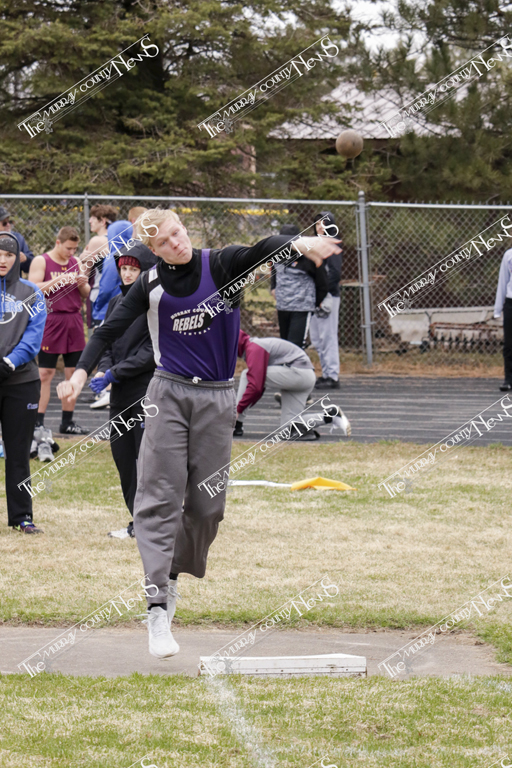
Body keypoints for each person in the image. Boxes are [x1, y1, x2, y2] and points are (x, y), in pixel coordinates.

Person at [57, 207, 341, 660]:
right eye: (165, 242)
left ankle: (171, 577)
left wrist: (302, 244)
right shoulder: (150, 286)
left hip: (216, 398)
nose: (177, 242)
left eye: (179, 232)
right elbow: (108, 330)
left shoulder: (221, 266)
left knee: (207, 509)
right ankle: (156, 605)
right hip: (167, 394)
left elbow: (263, 248)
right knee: (158, 498)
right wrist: (79, 374)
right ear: (154, 251)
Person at [88, 241, 157, 539]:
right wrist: (102, 369)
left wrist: (114, 373)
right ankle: (137, 521)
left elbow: (152, 352)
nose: (127, 274)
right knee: (124, 459)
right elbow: (106, 340)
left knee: (148, 462)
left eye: (134, 268)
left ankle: (152, 523)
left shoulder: (155, 303)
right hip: (119, 393)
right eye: (123, 268)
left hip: (146, 392)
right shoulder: (117, 302)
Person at [0, 232, 46, 533]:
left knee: (18, 453)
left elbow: (33, 337)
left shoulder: (32, 293)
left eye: (8, 254)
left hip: (21, 382)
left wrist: (9, 362)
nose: (2, 260)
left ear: (17, 258)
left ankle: (21, 517)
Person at [28, 226, 90, 438]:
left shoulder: (75, 262)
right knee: (45, 373)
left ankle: (67, 421)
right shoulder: (42, 261)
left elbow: (85, 293)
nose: (71, 252)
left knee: (73, 373)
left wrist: (82, 283)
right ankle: (37, 422)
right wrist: (60, 280)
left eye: (74, 249)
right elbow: (32, 289)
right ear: (58, 243)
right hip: (51, 319)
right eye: (68, 248)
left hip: (73, 319)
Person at [234, 330, 351, 440]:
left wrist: (238, 410)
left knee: (246, 375)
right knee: (288, 429)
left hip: (298, 373)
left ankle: (235, 422)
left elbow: (256, 385)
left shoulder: (254, 348)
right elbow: (258, 388)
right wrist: (244, 405)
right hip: (301, 376)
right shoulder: (254, 346)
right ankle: (331, 416)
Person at [271, 223, 329, 349]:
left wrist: (315, 302)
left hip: (301, 308)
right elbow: (274, 274)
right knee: (284, 344)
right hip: (283, 306)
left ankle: (297, 362)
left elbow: (322, 282)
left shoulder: (309, 257)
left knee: (295, 346)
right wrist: (273, 288)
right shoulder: (277, 256)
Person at [309, 212, 343, 390]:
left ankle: (332, 375)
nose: (320, 227)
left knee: (328, 336)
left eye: (323, 224)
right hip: (316, 297)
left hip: (328, 296)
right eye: (317, 224)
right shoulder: (315, 244)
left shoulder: (332, 244)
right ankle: (326, 373)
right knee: (317, 337)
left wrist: (323, 292)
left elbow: (335, 273)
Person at [80, 204, 118, 329]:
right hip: (118, 295)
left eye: (93, 217)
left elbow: (84, 273)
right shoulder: (120, 239)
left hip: (100, 295)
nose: (90, 221)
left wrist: (80, 259)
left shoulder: (97, 241)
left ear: (102, 221)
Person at [91, 220, 133, 326]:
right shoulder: (135, 254)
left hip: (108, 310)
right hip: (130, 308)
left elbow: (106, 288)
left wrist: (97, 306)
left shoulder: (113, 257)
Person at [494, 244, 512, 391]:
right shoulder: (509, 255)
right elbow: (503, 282)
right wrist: (498, 309)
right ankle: (509, 379)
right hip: (511, 303)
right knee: (509, 344)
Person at [0, 206, 35, 275]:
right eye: (4, 223)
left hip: (13, 279)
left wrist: (25, 258)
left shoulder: (17, 238)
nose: (8, 225)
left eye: (9, 222)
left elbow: (31, 265)